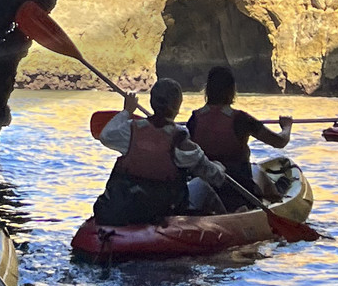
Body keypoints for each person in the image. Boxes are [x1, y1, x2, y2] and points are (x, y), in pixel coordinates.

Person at [93, 76, 231, 225]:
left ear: (152, 102)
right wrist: (219, 167)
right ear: (178, 105)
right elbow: (215, 176)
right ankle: (231, 221)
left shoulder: (130, 130)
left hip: (125, 205)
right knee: (201, 185)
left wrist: (126, 111)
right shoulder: (180, 140)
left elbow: (105, 136)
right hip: (161, 210)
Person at [187, 65, 292, 206]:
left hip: (205, 183)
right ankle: (275, 198)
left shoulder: (194, 119)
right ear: (231, 90)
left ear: (208, 90)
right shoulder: (241, 120)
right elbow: (280, 142)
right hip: (239, 188)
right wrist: (286, 126)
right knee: (259, 172)